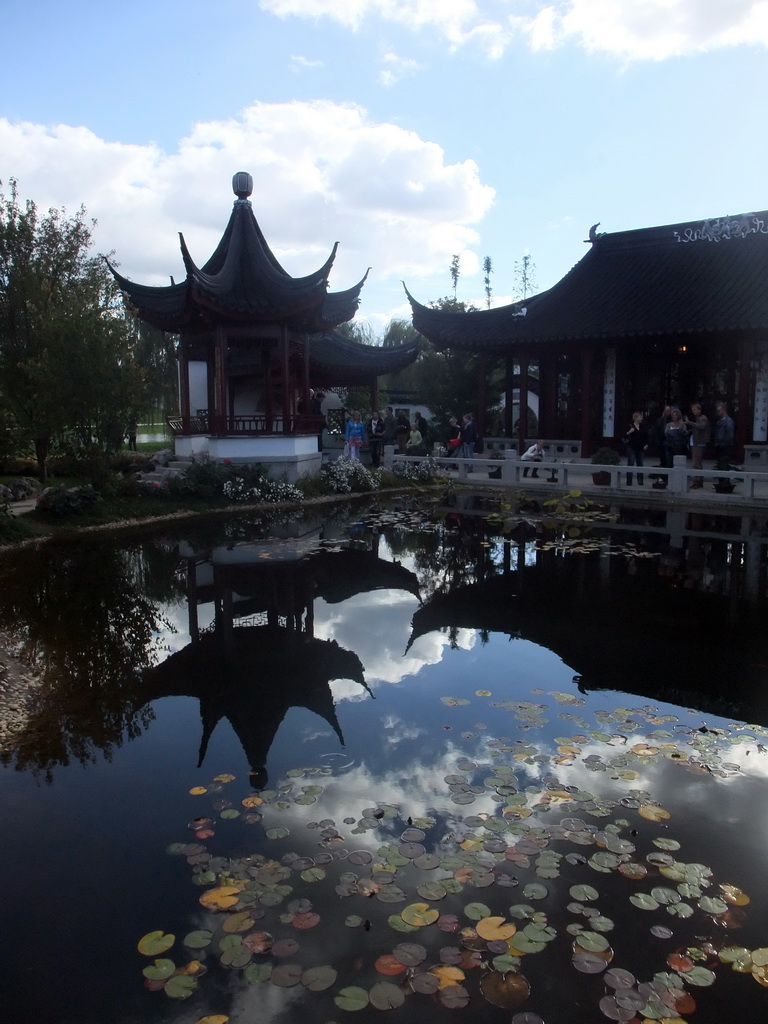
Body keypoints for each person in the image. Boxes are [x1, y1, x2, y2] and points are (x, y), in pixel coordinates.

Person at [685, 402, 710, 488]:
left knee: (696, 463)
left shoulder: (703, 418)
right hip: (695, 442)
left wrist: (690, 423)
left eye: (695, 409)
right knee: (697, 462)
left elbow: (701, 426)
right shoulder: (697, 418)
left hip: (699, 443)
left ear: (699, 410)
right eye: (692, 410)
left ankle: (697, 481)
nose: (693, 411)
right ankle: (698, 480)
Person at [622, 411, 647, 485]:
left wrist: (646, 444)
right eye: (639, 417)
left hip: (641, 448)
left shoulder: (643, 426)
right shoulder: (630, 426)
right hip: (632, 448)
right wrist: (629, 432)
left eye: (641, 417)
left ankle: (640, 481)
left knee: (640, 464)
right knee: (631, 463)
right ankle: (629, 482)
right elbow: (624, 436)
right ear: (635, 418)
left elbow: (646, 436)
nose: (641, 419)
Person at [714, 401, 735, 470]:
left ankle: (725, 480)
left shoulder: (728, 421)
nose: (717, 412)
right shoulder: (719, 421)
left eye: (719, 411)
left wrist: (724, 443)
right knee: (720, 464)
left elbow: (730, 435)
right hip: (719, 445)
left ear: (724, 410)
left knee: (724, 465)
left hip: (725, 446)